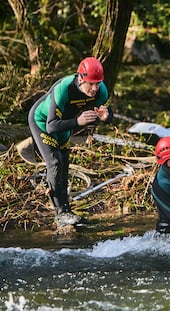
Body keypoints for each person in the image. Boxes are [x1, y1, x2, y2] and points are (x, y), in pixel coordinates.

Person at [28, 57, 113, 227]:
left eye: (98, 83)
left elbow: (105, 115)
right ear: (81, 78)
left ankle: (67, 210)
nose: (95, 88)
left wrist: (106, 117)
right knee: (55, 162)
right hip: (42, 121)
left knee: (65, 163)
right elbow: (51, 126)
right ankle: (60, 214)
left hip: (65, 124)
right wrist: (78, 122)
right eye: (91, 84)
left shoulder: (101, 91)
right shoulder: (64, 88)